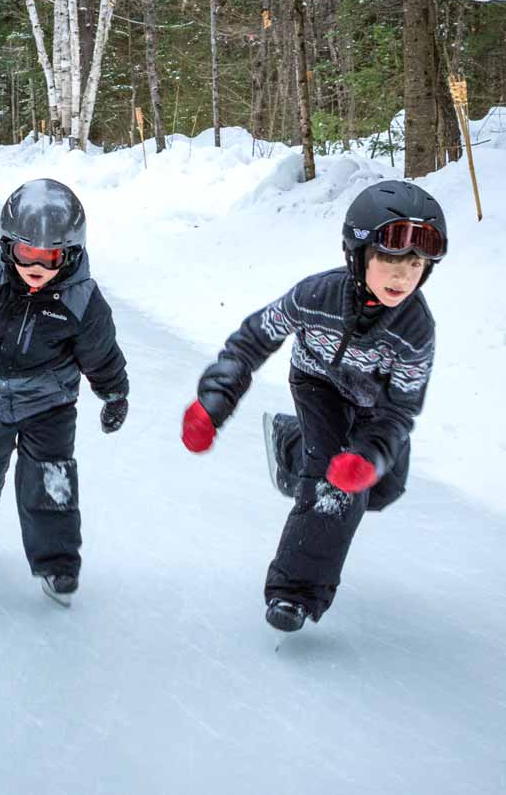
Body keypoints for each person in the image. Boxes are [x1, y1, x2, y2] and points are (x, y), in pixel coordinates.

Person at [181, 180, 447, 631]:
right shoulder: (314, 296)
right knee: (336, 489)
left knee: (382, 489)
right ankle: (294, 593)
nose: (402, 276)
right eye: (389, 258)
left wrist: (370, 454)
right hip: (317, 382)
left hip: (376, 405)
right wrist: (214, 402)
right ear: (358, 255)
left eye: (415, 262)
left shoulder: (415, 330)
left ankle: (291, 444)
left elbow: (400, 410)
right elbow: (252, 340)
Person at [0, 178, 129, 605]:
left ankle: (57, 564)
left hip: (51, 406)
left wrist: (114, 393)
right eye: (27, 252)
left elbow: (101, 353)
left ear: (71, 253)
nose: (37, 265)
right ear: (8, 245)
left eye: (51, 255)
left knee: (50, 483)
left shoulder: (81, 300)